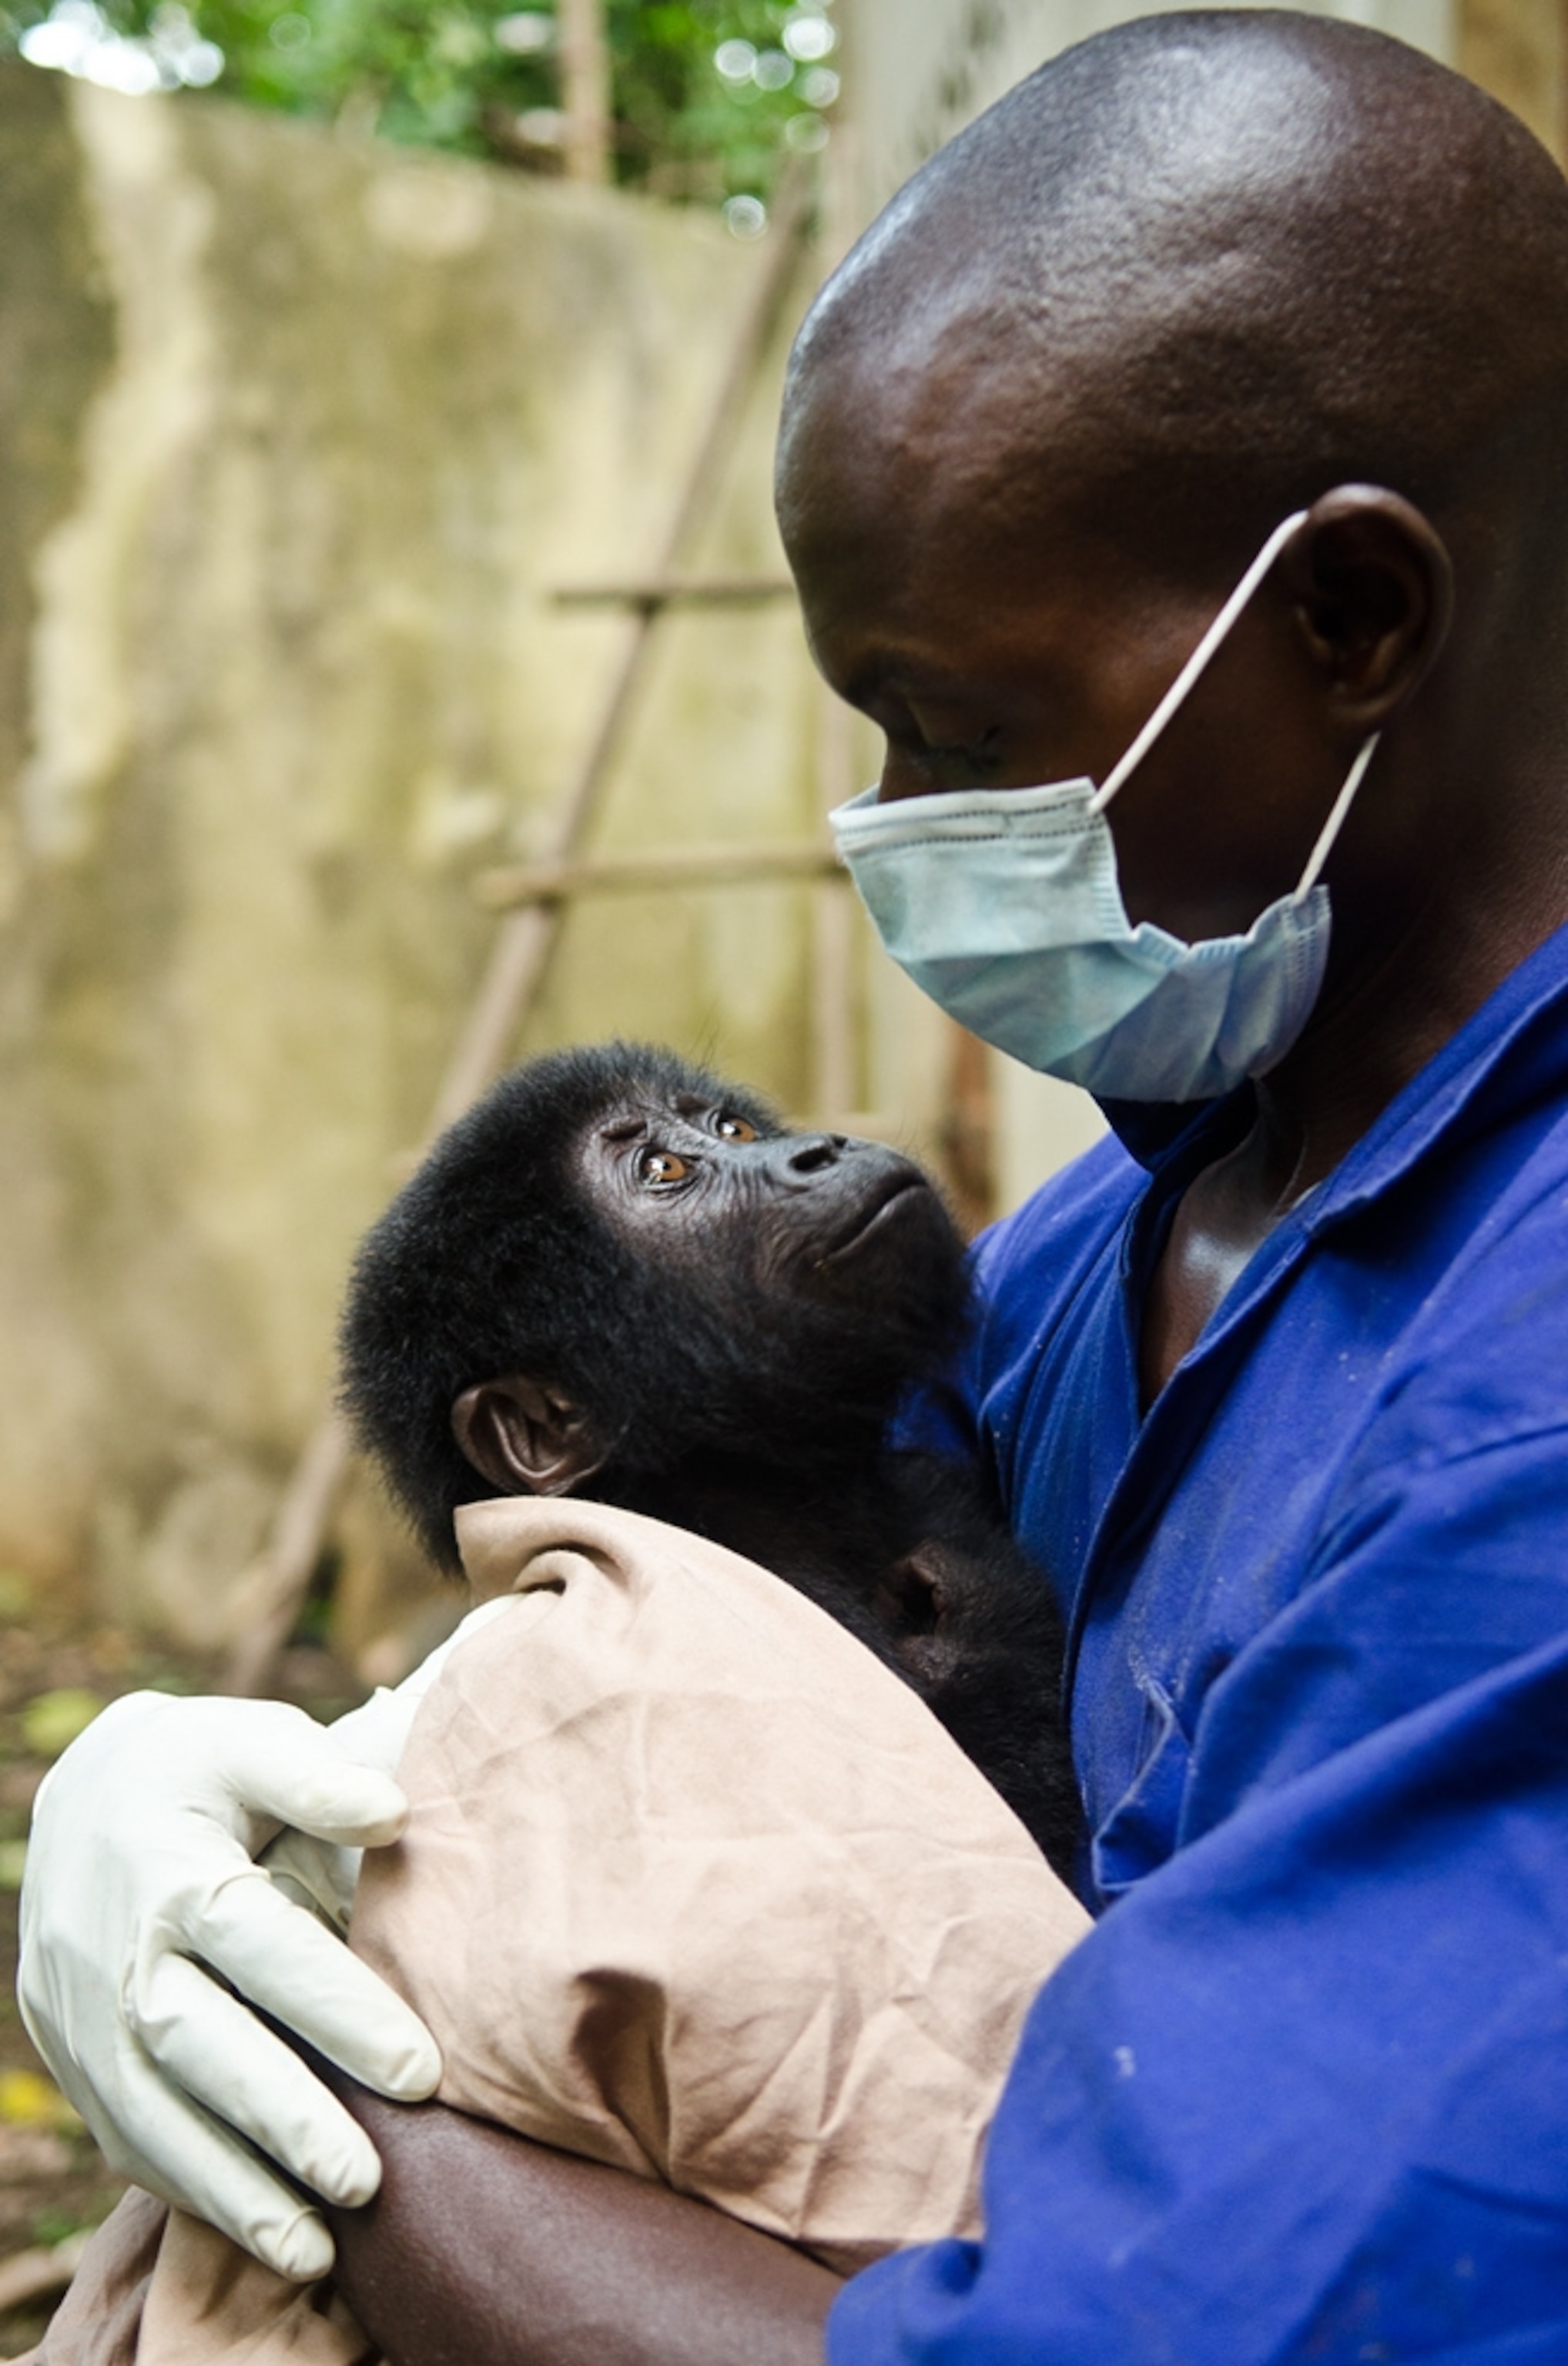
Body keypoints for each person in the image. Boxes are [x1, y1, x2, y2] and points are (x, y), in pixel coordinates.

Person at [20, 10, 1568, 2360]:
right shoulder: (1102, 1252)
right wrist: (239, 1814)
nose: (893, 831)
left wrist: (344, 2113)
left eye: (954, 733)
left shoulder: (1513, 1402)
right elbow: (706, 1638)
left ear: (1348, 622)